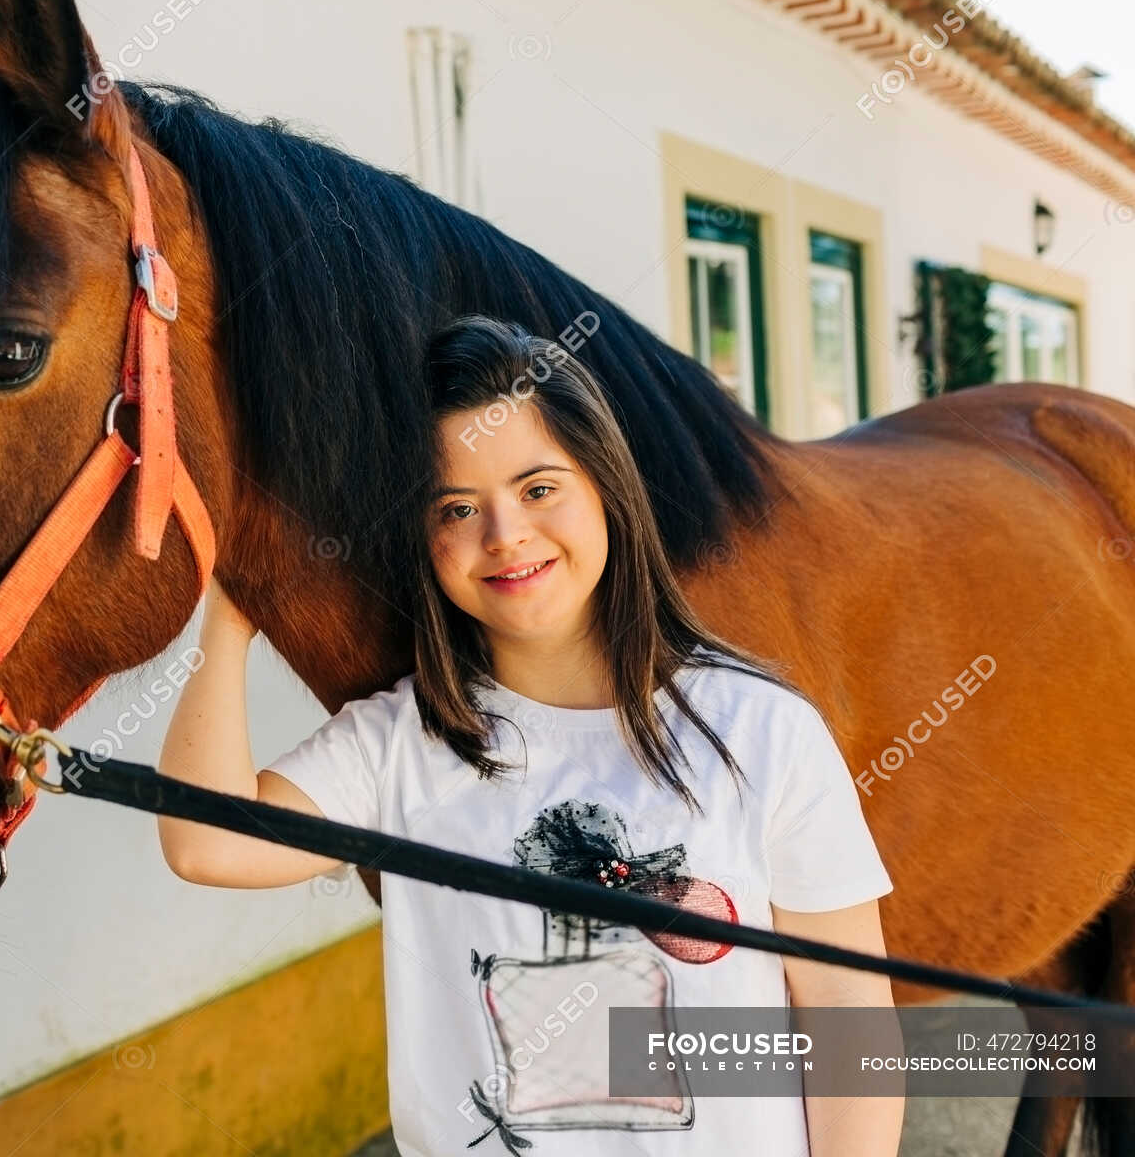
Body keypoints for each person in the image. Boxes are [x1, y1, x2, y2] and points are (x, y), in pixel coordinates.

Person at [156, 315, 902, 1155]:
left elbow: (845, 1009)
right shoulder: (404, 741)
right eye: (457, 507)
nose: (503, 534)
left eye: (539, 488)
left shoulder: (759, 731)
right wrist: (227, 619)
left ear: (606, 489)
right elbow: (206, 843)